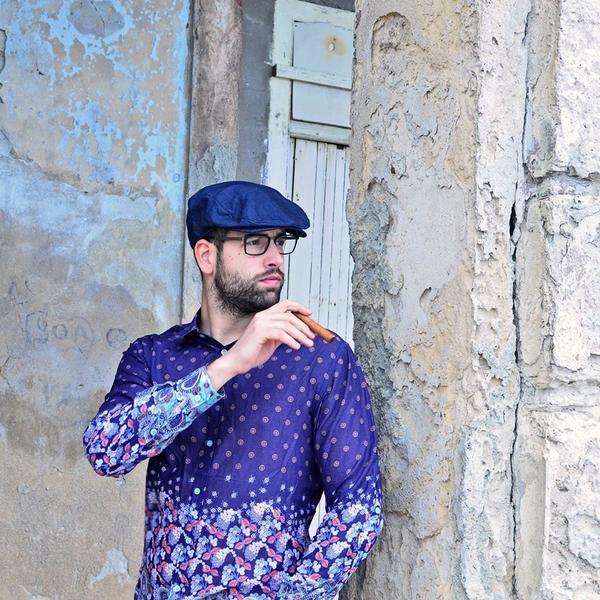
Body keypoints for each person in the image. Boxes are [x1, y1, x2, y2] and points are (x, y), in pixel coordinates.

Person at [83, 181, 383, 600]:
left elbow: (359, 511)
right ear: (207, 255)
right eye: (255, 242)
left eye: (280, 242)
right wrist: (226, 367)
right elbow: (105, 451)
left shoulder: (321, 361)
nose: (275, 258)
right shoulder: (153, 356)